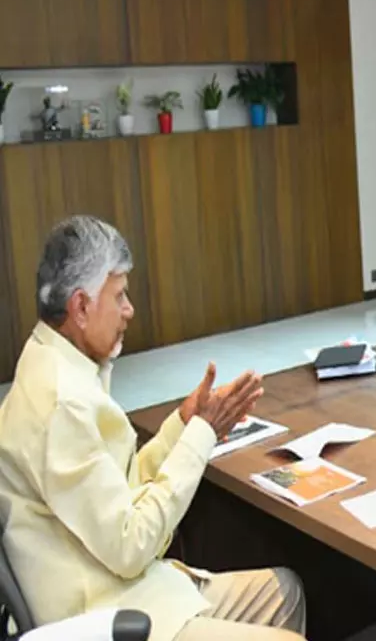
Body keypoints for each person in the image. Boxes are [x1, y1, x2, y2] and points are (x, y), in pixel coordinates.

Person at [0, 216, 305, 640]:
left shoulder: (55, 364)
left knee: (285, 592)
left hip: (137, 590)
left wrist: (182, 424)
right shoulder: (60, 402)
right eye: (119, 296)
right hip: (108, 615)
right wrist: (202, 434)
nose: (129, 310)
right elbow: (131, 544)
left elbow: (120, 491)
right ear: (81, 307)